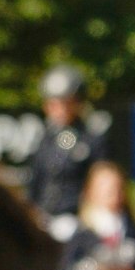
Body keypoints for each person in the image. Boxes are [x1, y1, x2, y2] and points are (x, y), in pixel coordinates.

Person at [26, 65, 100, 244]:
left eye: (64, 103)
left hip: (75, 218)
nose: (58, 109)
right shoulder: (45, 139)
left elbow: (98, 184)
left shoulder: (91, 140)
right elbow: (36, 180)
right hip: (42, 216)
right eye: (53, 103)